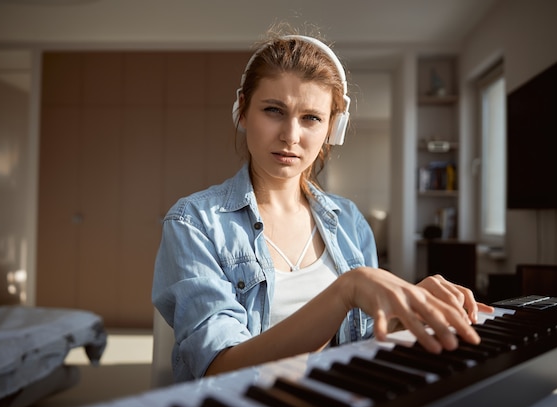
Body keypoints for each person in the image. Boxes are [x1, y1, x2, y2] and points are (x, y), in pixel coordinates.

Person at [152, 24, 493, 383]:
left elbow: (359, 344)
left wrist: (404, 312)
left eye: (311, 118)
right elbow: (219, 370)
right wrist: (346, 291)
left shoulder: (349, 221)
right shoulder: (194, 222)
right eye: (273, 110)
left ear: (333, 128)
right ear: (242, 110)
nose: (291, 135)